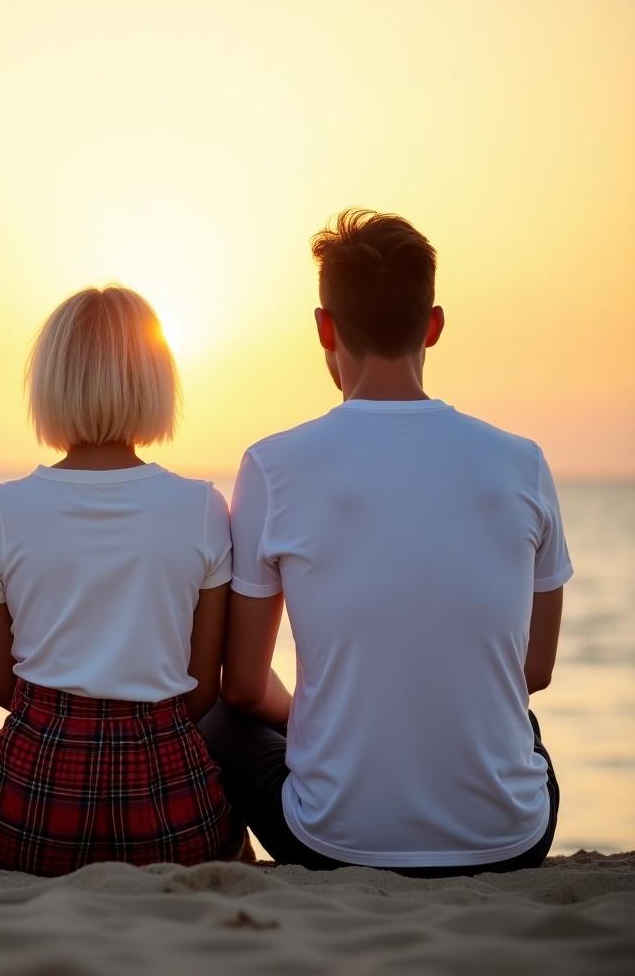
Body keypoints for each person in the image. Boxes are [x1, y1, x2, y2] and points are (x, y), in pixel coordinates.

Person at [201, 209, 571, 875]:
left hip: (329, 841)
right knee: (520, 735)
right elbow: (533, 673)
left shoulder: (272, 467)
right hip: (512, 842)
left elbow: (248, 686)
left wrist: (319, 724)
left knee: (224, 724)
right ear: (432, 325)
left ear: (324, 327)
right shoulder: (524, 464)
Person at [0, 285, 237, 876]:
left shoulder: (2, 510)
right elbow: (201, 692)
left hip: (31, 817)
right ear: (155, 380)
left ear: (51, 381)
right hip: (169, 815)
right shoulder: (203, 508)